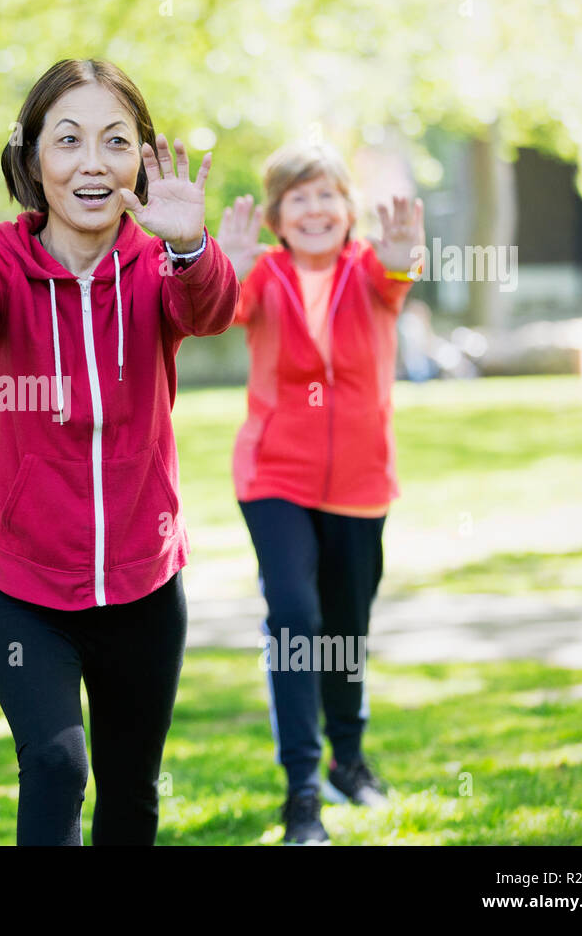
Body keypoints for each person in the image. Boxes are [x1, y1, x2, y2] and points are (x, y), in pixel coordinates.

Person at [0, 58, 239, 845]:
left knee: (132, 794)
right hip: (25, 587)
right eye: (68, 141)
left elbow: (213, 310)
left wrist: (193, 244)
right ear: (31, 162)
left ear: (142, 161)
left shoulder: (159, 262)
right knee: (57, 766)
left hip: (143, 585)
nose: (92, 162)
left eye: (115, 142)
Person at [217, 143, 424, 844]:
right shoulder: (264, 274)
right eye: (298, 198)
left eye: (326, 196)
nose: (314, 210)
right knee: (296, 619)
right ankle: (302, 792)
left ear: (347, 210)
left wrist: (404, 253)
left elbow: (400, 270)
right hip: (275, 477)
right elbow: (220, 307)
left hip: (362, 486)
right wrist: (222, 268)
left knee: (345, 632)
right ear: (276, 215)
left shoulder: (369, 270)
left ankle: (349, 761)